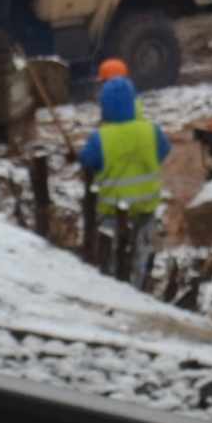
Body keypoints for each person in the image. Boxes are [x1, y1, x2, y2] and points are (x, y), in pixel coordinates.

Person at [78, 73, 171, 288]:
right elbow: (164, 151)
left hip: (112, 214)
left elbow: (86, 161)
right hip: (145, 211)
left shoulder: (101, 137)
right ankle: (138, 292)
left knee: (111, 265)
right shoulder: (151, 131)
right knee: (139, 259)